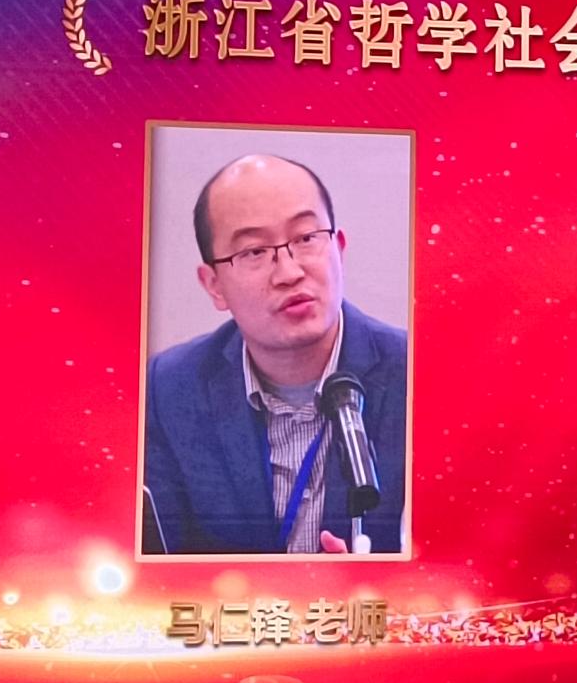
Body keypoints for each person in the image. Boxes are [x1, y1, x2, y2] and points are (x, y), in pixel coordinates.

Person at [142, 152, 408, 555]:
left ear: (338, 248)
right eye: (254, 252)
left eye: (306, 238)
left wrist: (378, 582)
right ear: (214, 285)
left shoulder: (421, 378)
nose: (289, 273)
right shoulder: (167, 390)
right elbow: (159, 562)